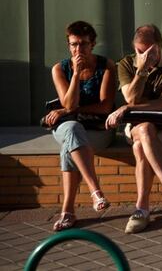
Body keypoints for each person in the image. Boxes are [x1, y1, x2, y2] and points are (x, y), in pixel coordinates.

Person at [105, 24, 162, 233]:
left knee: (140, 148)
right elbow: (131, 97)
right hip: (136, 123)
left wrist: (125, 108)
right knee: (144, 130)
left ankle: (141, 209)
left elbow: (161, 104)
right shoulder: (126, 64)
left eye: (149, 51)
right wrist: (141, 70)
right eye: (139, 51)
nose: (143, 55)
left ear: (159, 46)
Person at [45, 20, 115, 231]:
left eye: (83, 44)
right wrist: (75, 74)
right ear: (69, 45)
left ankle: (67, 212)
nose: (78, 49)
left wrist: (69, 111)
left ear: (93, 44)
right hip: (68, 126)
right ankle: (96, 191)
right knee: (72, 130)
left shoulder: (107, 66)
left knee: (70, 145)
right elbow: (69, 103)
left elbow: (105, 107)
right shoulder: (60, 68)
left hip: (97, 129)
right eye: (74, 44)